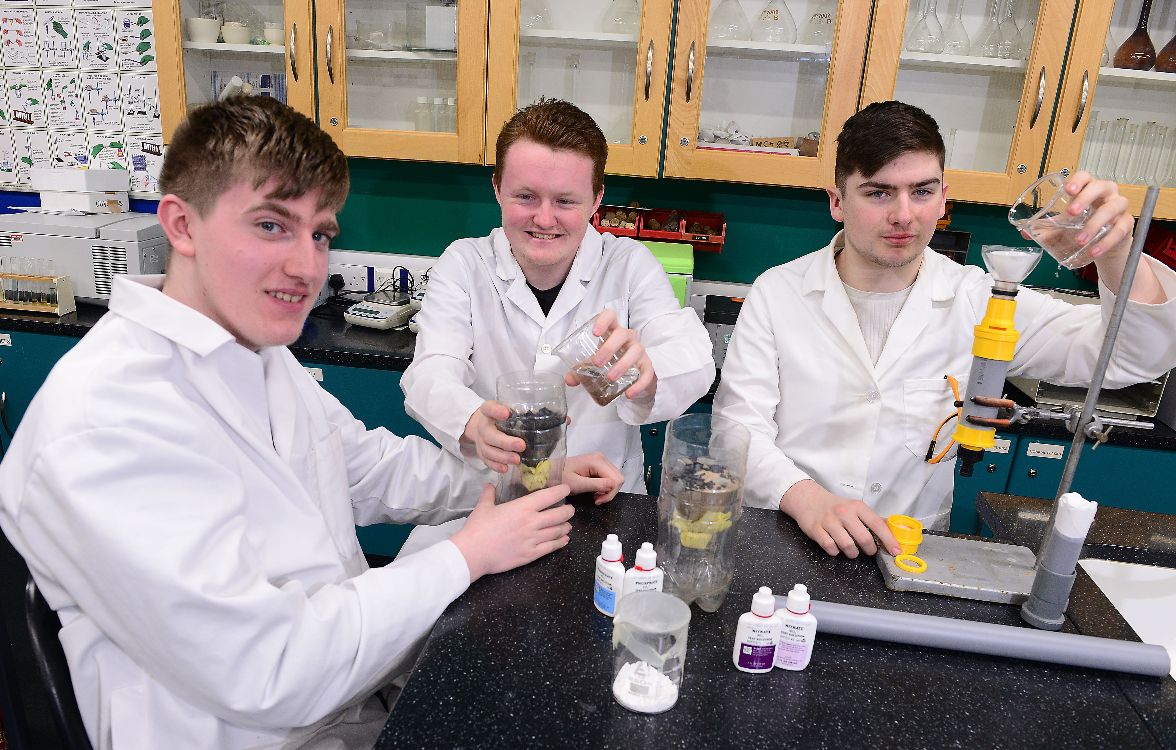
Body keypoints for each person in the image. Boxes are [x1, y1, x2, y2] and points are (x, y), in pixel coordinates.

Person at [0, 96, 619, 749]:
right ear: (182, 224)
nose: (306, 265)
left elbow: (371, 467)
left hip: (341, 698)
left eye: (319, 233)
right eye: (271, 226)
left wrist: (528, 477)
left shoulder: (252, 352)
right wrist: (468, 554)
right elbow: (269, 669)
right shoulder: (109, 416)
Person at [714, 100, 1176, 560]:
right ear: (838, 202)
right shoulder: (778, 292)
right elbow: (737, 428)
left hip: (908, 552)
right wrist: (806, 498)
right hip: (782, 534)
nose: (903, 215)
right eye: (878, 193)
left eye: (921, 192)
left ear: (943, 198)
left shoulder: (979, 300)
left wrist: (1115, 254)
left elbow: (1127, 359)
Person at [401, 98, 715, 496]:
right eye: (525, 197)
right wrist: (471, 421)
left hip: (608, 500)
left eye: (565, 201)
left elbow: (693, 356)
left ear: (597, 200)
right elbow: (431, 373)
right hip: (497, 494)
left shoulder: (628, 264)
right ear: (497, 188)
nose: (545, 219)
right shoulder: (464, 265)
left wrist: (650, 372)